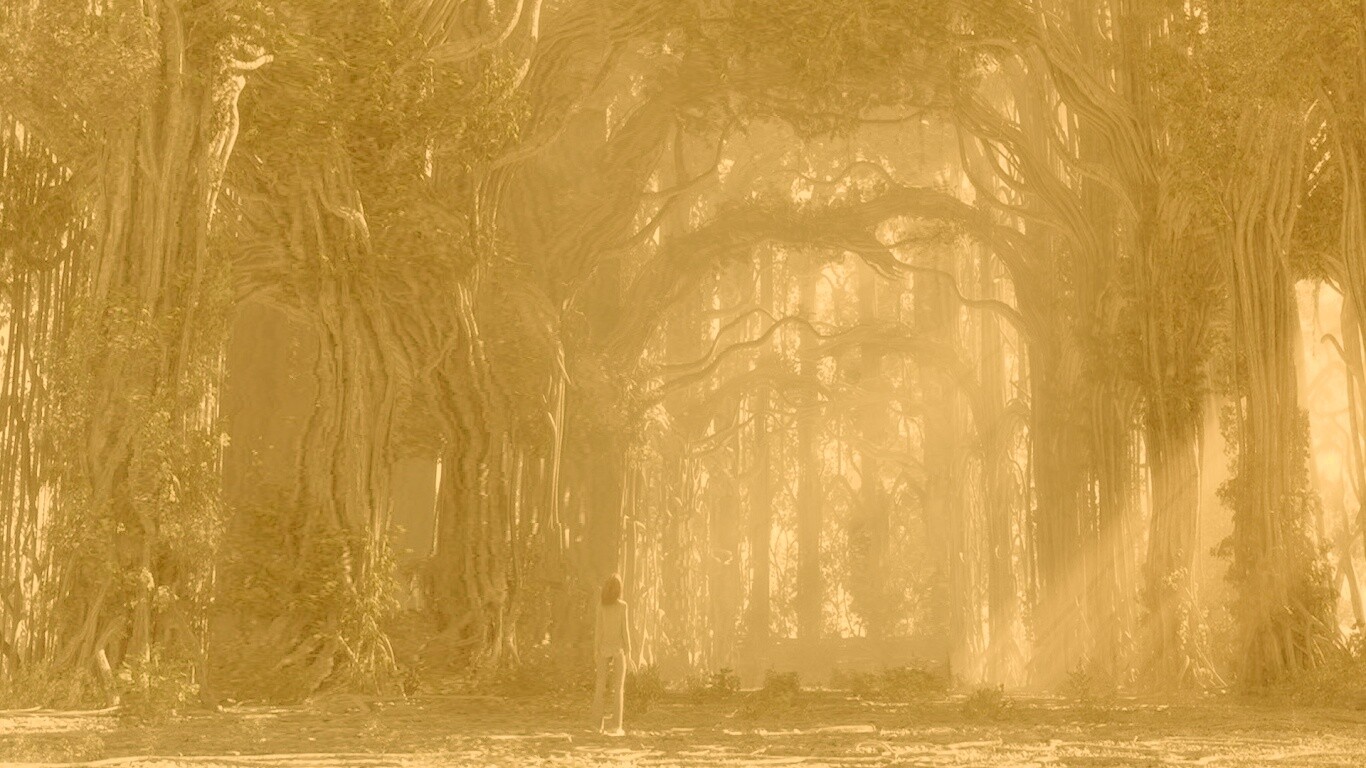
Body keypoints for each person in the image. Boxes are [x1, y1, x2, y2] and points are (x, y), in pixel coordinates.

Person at [592, 573, 632, 735]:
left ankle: (596, 725)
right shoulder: (623, 606)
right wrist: (629, 652)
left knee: (600, 687)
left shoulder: (601, 606)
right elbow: (625, 631)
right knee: (618, 688)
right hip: (618, 650)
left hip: (603, 649)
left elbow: (598, 630)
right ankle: (616, 725)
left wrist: (595, 650)